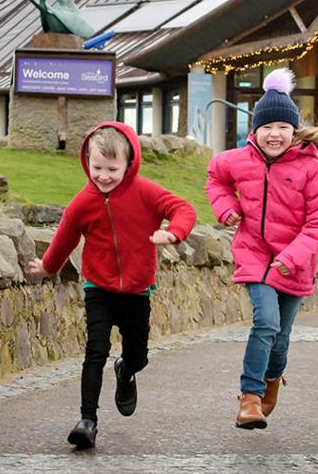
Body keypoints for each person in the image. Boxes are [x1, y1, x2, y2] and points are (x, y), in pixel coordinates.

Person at [25, 122, 196, 450]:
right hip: (98, 287)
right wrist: (48, 265)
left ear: (129, 163)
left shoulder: (145, 192)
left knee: (138, 355)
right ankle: (87, 421)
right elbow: (65, 237)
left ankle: (126, 369)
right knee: (95, 350)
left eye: (112, 169)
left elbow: (183, 209)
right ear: (87, 162)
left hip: (136, 290)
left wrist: (173, 232)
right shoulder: (83, 202)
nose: (103, 175)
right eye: (97, 167)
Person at [205, 68, 318, 430]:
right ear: (255, 131)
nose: (274, 134)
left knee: (280, 340)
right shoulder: (236, 160)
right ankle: (249, 397)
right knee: (265, 322)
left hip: (295, 264)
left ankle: (273, 378)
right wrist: (225, 208)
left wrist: (292, 257)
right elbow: (215, 179)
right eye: (266, 127)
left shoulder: (311, 169)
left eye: (282, 127)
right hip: (254, 255)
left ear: (293, 131)